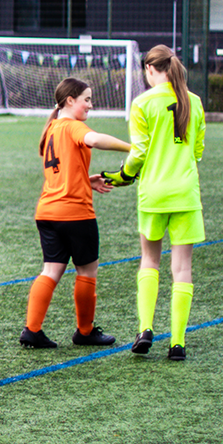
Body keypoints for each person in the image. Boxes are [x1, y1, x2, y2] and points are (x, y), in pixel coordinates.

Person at [101, 44, 206, 361]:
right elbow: (197, 151)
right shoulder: (194, 102)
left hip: (153, 193)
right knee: (182, 268)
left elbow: (140, 152)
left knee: (150, 261)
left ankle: (145, 328)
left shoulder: (143, 103)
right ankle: (177, 343)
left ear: (149, 69)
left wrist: (124, 174)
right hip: (186, 193)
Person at [18, 77, 133, 350]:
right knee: (87, 271)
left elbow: (63, 169)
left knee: (50, 270)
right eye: (87, 99)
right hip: (76, 213)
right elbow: (95, 139)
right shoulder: (73, 126)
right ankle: (85, 331)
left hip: (47, 211)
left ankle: (32, 330)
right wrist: (133, 148)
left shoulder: (51, 128)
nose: (90, 105)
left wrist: (86, 179)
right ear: (70, 100)